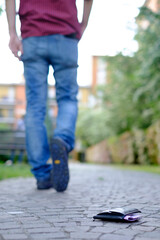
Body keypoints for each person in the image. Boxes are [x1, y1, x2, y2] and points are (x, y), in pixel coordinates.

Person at [5, 0, 93, 192]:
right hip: (66, 35)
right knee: (68, 98)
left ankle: (42, 175)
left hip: (32, 35)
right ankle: (62, 138)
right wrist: (83, 23)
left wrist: (12, 32)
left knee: (35, 106)